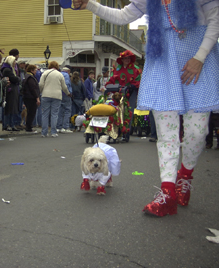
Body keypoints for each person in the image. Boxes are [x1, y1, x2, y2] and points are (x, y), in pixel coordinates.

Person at [72, 0, 219, 217]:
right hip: (161, 62)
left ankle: (185, 176)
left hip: (196, 59)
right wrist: (90, 5)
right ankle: (167, 193)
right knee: (167, 137)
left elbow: (215, 17)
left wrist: (200, 57)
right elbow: (123, 16)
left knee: (197, 133)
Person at [106, 50, 142, 142]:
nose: (127, 60)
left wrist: (132, 86)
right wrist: (108, 87)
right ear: (122, 60)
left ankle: (126, 132)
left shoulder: (135, 69)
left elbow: (138, 81)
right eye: (125, 58)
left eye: (128, 58)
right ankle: (116, 131)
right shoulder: (117, 69)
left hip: (131, 92)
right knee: (116, 111)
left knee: (128, 112)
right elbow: (111, 80)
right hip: (118, 93)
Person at [39, 61, 71, 138]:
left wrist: (41, 91)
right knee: (54, 114)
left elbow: (40, 84)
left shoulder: (45, 73)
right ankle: (53, 132)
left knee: (45, 114)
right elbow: (64, 86)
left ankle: (44, 132)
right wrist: (68, 93)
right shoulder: (59, 74)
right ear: (57, 66)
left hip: (46, 95)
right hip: (57, 96)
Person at [1, 56, 21, 131]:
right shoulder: (7, 70)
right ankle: (8, 124)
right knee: (9, 108)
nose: (15, 63)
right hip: (10, 90)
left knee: (12, 108)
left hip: (13, 90)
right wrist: (18, 79)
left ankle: (11, 124)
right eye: (14, 61)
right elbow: (15, 78)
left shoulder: (11, 69)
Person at [22, 64, 41, 133]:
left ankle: (28, 126)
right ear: (32, 70)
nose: (36, 71)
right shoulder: (31, 78)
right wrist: (37, 98)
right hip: (31, 97)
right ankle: (29, 127)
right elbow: (33, 89)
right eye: (35, 70)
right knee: (31, 112)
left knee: (30, 112)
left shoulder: (26, 76)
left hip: (27, 97)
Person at [57, 67, 73, 133]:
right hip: (66, 94)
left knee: (60, 111)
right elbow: (66, 84)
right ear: (68, 71)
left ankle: (59, 127)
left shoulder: (59, 74)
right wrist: (68, 92)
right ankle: (65, 127)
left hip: (59, 94)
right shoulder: (66, 75)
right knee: (67, 110)